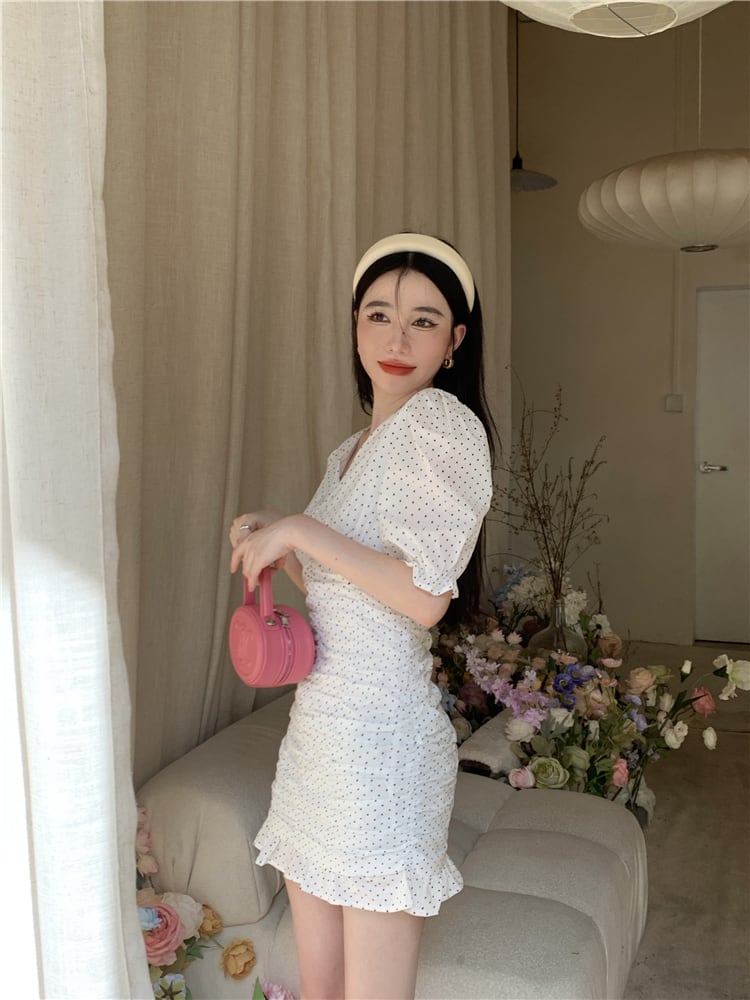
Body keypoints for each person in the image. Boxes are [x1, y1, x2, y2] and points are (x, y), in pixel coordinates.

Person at [229, 233, 496, 1000]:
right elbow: (346, 587)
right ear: (354, 326)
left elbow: (424, 597)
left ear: (455, 340)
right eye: (379, 314)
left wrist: (303, 531)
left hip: (383, 749)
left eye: (422, 320)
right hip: (319, 740)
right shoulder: (350, 450)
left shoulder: (440, 424)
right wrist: (282, 539)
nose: (396, 338)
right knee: (321, 987)